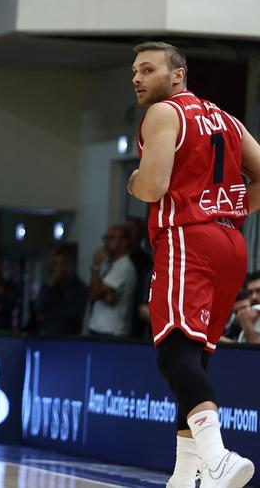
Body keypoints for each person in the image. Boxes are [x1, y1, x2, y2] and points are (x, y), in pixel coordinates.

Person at [127, 41, 260, 488]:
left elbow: (153, 186)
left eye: (148, 70)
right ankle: (184, 477)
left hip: (187, 238)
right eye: (135, 72)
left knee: (173, 354)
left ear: (177, 75)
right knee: (193, 361)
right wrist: (234, 211)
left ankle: (217, 458)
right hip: (230, 243)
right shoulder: (228, 119)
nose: (137, 79)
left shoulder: (164, 113)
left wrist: (132, 180)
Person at [86, 225, 137, 337]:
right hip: (98, 327)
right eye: (106, 237)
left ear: (124, 242)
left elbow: (96, 293)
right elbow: (93, 293)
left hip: (112, 330)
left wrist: (95, 267)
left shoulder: (124, 266)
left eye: (112, 237)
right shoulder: (107, 263)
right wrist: (104, 294)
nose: (107, 241)